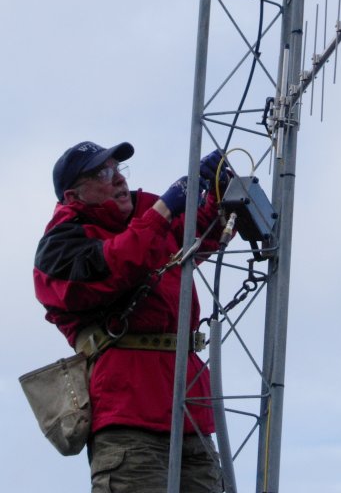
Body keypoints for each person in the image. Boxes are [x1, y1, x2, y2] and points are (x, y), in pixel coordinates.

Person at [34, 140, 228, 493]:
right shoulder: (61, 245)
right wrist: (163, 210)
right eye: (103, 173)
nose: (119, 180)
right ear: (73, 194)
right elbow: (116, 266)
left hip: (190, 415)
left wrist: (217, 193)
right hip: (129, 417)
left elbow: (200, 233)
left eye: (118, 170)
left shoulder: (145, 222)